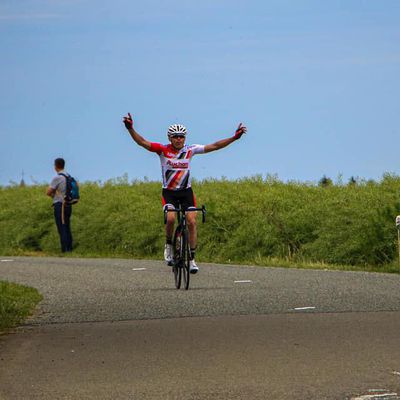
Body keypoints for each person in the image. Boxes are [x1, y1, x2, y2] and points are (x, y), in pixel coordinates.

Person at [123, 113, 247, 273]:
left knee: (192, 222)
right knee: (171, 218)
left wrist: (234, 138)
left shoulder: (190, 150)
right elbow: (142, 142)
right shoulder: (162, 150)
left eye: (181, 137)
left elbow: (214, 146)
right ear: (170, 138)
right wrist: (130, 129)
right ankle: (169, 245)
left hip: (186, 192)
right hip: (169, 193)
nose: (179, 139)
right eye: (175, 137)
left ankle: (192, 259)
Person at [46, 158, 73, 253]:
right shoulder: (68, 176)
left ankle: (65, 250)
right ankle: (69, 249)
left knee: (61, 227)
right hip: (68, 204)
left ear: (55, 166)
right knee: (67, 226)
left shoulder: (57, 177)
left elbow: (48, 192)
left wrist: (54, 195)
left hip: (59, 205)